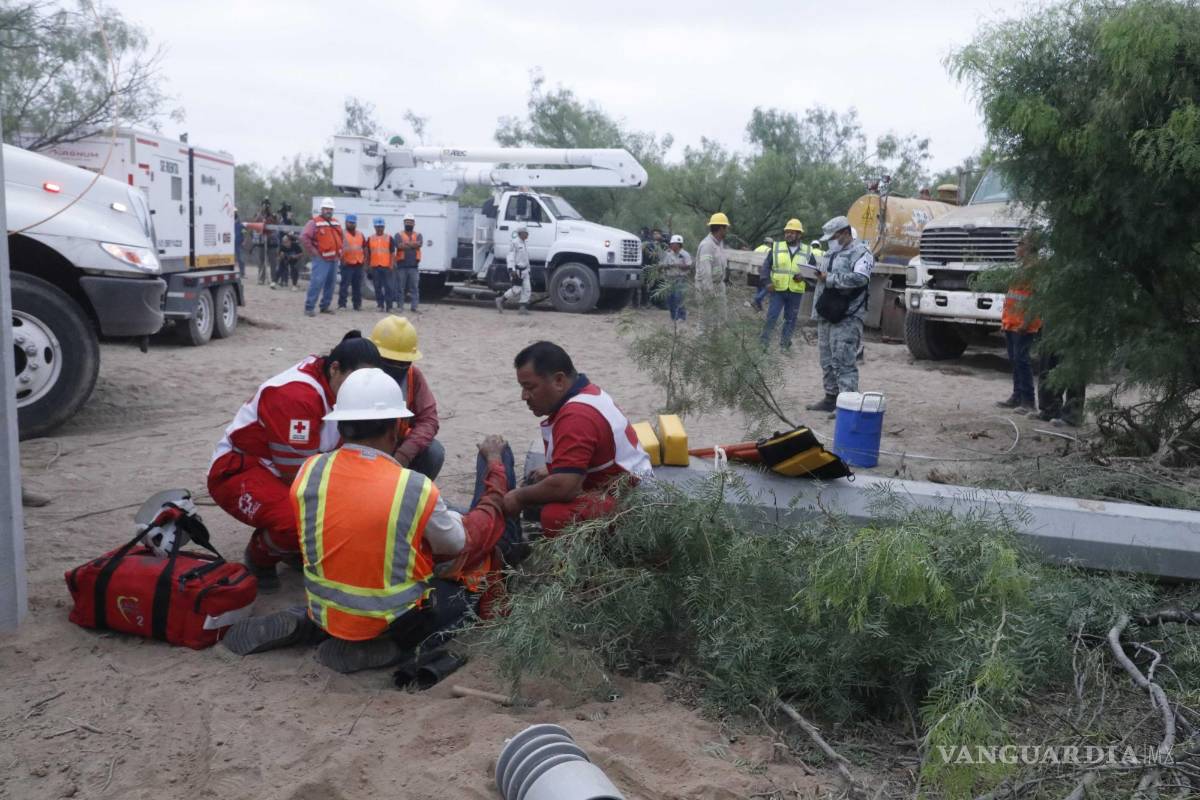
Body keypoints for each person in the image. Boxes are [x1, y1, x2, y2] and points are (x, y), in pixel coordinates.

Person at [222, 368, 518, 674]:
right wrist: (495, 477)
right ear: (396, 428)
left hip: (327, 611)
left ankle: (307, 622)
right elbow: (459, 543)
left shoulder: (310, 471)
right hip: (393, 621)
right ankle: (389, 646)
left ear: (342, 426)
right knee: (467, 594)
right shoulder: (412, 487)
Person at [208, 331, 382, 593]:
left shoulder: (334, 385)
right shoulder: (296, 396)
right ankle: (259, 557)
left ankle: (292, 548)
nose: (361, 388)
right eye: (355, 379)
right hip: (238, 469)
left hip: (282, 466)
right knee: (303, 518)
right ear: (335, 368)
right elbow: (298, 474)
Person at [502, 341, 653, 537]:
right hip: (624, 488)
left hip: (631, 506)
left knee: (555, 515)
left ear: (558, 381)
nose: (524, 396)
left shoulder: (576, 416)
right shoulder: (587, 393)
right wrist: (551, 471)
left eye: (530, 387)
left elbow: (566, 487)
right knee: (543, 488)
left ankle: (593, 559)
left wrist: (518, 497)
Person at [806, 216, 874, 412]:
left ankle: (847, 405)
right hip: (826, 312)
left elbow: (860, 279)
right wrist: (810, 277)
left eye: (834, 236)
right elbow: (822, 279)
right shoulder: (829, 253)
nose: (831, 241)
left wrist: (830, 278)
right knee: (826, 359)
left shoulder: (861, 253)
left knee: (844, 359)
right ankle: (830, 398)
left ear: (845, 233)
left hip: (847, 315)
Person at [369, 315, 444, 479]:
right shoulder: (360, 375)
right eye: (390, 361)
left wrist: (403, 455)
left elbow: (428, 420)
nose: (398, 368)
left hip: (396, 447)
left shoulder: (412, 375)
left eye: (403, 362)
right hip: (362, 445)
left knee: (433, 452)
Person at [997, 241, 1041, 415]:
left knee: (1022, 361)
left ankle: (1028, 401)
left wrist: (1026, 322)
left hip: (1023, 325)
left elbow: (1035, 299)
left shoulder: (1035, 270)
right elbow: (1013, 296)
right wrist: (1005, 321)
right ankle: (1017, 397)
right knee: (1015, 360)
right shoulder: (1021, 268)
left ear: (1028, 249)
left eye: (1019, 246)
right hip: (1012, 323)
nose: (1016, 249)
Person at [759, 219, 815, 349]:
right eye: (787, 232)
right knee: (772, 316)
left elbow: (812, 272)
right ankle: (763, 343)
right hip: (778, 289)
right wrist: (767, 282)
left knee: (790, 319)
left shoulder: (807, 251)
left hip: (795, 291)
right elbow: (766, 267)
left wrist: (803, 276)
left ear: (799, 235)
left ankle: (785, 344)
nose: (788, 234)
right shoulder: (776, 247)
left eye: (792, 232)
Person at [301, 198, 343, 317]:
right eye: (326, 208)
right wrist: (313, 251)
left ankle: (325, 306)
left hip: (334, 259)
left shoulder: (336, 222)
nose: (328, 211)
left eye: (330, 209)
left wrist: (340, 251)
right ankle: (309, 307)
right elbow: (304, 237)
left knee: (331, 283)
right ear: (322, 209)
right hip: (321, 259)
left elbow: (341, 238)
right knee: (317, 282)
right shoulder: (314, 222)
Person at [695, 212, 731, 316]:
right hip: (707, 288)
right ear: (721, 229)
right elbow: (705, 272)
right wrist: (709, 293)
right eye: (726, 228)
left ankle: (718, 332)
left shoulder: (719, 244)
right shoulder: (707, 246)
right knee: (706, 321)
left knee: (720, 318)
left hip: (718, 285)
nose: (727, 231)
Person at [496, 226, 531, 315]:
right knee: (516, 289)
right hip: (517, 271)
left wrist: (529, 269)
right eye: (526, 233)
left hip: (525, 270)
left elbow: (526, 258)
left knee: (527, 289)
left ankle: (522, 308)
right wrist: (511, 269)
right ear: (521, 233)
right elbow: (510, 256)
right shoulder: (514, 242)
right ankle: (501, 299)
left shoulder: (524, 243)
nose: (527, 234)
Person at [393, 213, 423, 314]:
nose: (409, 223)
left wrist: (406, 244)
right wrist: (412, 245)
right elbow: (399, 246)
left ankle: (414, 307)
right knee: (400, 288)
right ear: (404, 223)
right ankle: (400, 306)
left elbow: (419, 244)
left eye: (410, 222)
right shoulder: (398, 235)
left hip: (414, 266)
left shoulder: (418, 235)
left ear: (414, 223)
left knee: (414, 288)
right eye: (407, 222)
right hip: (401, 266)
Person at [659, 234, 693, 322]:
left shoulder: (684, 254)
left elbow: (689, 266)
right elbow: (662, 265)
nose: (671, 245)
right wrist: (666, 266)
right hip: (669, 279)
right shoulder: (668, 254)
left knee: (679, 298)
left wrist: (677, 265)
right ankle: (673, 317)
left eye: (673, 243)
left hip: (680, 279)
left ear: (678, 244)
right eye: (671, 244)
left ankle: (681, 317)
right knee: (670, 299)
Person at [338, 213, 367, 311]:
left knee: (357, 286)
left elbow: (364, 247)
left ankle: (357, 304)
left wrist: (365, 260)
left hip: (358, 263)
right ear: (346, 223)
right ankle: (342, 304)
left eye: (353, 223)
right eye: (350, 223)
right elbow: (338, 248)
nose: (352, 224)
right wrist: (342, 260)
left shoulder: (360, 234)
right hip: (347, 264)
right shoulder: (342, 234)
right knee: (344, 285)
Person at [367, 217, 396, 311]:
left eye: (381, 226)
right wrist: (368, 266)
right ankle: (380, 305)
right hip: (375, 266)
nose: (379, 228)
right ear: (374, 227)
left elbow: (392, 253)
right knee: (377, 287)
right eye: (378, 226)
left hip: (386, 267)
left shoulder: (389, 238)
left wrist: (391, 265)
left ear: (384, 227)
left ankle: (389, 306)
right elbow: (368, 253)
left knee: (389, 287)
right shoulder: (370, 239)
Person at [234, 209, 245, 278]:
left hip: (239, 244)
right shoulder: (229, 224)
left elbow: (244, 233)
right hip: (231, 245)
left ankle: (242, 273)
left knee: (241, 259)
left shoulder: (241, 225)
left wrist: (244, 241)